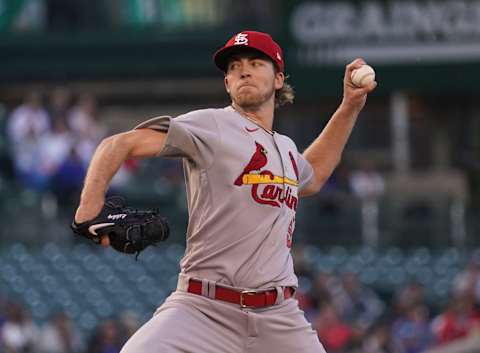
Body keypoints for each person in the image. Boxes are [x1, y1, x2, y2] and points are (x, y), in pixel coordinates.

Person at [74, 30, 376, 353]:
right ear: (227, 84)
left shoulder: (286, 149)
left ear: (278, 79)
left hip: (280, 318)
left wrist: (349, 106)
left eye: (255, 62)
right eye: (233, 67)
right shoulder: (212, 126)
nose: (242, 70)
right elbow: (120, 143)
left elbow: (313, 176)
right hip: (203, 308)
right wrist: (89, 207)